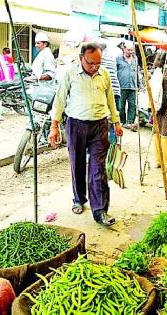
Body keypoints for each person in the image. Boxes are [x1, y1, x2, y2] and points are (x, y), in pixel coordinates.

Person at [49, 42, 123, 226]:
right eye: (91, 63)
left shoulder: (103, 73)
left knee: (98, 168)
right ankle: (79, 199)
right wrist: (54, 126)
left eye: (98, 62)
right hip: (76, 125)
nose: (94, 66)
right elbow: (59, 99)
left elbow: (110, 99)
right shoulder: (70, 73)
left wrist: (116, 121)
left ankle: (100, 211)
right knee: (78, 164)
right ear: (81, 57)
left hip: (100, 125)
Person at [116, 42, 139, 132]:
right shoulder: (118, 59)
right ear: (124, 49)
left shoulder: (135, 59)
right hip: (121, 85)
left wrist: (138, 84)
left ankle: (130, 122)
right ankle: (122, 121)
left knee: (132, 105)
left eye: (131, 50)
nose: (130, 52)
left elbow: (136, 72)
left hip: (133, 86)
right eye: (128, 50)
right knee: (121, 105)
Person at [100, 42, 121, 112]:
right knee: (116, 112)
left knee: (104, 112)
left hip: (105, 89)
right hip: (116, 89)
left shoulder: (99, 60)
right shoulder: (112, 58)